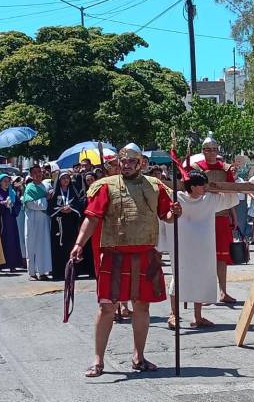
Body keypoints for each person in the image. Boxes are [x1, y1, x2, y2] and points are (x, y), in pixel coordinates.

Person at [70, 143, 181, 377]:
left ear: (140, 163)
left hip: (145, 253)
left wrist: (175, 213)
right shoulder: (105, 187)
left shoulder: (155, 186)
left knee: (142, 306)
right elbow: (92, 218)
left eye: (132, 161)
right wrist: (79, 243)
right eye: (123, 161)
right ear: (118, 163)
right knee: (107, 306)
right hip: (115, 254)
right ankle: (98, 360)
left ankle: (138, 357)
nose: (127, 165)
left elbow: (167, 216)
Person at [162, 171, 238, 329]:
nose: (205, 187)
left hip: (203, 246)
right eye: (202, 185)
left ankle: (198, 317)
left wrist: (223, 187)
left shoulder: (209, 199)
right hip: (182, 245)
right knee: (178, 277)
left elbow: (231, 198)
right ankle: (173, 314)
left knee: (201, 279)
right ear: (193, 186)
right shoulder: (176, 197)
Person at [191, 132, 237, 303]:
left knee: (222, 257)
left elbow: (231, 192)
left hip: (221, 217)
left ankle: (223, 291)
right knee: (203, 256)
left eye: (214, 149)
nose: (211, 152)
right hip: (202, 216)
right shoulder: (195, 168)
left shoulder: (225, 168)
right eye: (207, 149)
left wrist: (233, 215)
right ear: (203, 150)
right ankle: (202, 293)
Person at [49, 171, 88, 280]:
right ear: (59, 180)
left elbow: (79, 205)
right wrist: (61, 209)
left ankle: (73, 271)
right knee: (58, 247)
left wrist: (71, 208)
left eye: (67, 178)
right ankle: (59, 271)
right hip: (58, 223)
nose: (66, 180)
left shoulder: (73, 191)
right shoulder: (54, 193)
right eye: (63, 178)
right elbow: (51, 207)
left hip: (70, 223)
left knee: (71, 245)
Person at [23, 165, 52, 281]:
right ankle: (32, 272)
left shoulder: (46, 186)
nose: (38, 174)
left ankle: (43, 271)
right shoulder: (29, 188)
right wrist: (45, 199)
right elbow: (29, 203)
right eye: (35, 172)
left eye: (39, 171)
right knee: (32, 244)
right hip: (32, 220)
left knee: (44, 245)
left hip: (44, 219)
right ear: (31, 175)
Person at [0, 174, 25, 272]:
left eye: (8, 181)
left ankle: (13, 264)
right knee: (2, 241)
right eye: (4, 181)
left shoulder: (12, 192)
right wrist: (2, 204)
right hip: (1, 220)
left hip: (11, 220)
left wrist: (12, 205)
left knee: (12, 241)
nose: (6, 183)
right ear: (0, 182)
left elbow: (18, 204)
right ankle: (0, 264)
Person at [230, 164, 250, 241]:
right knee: (231, 221)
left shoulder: (241, 180)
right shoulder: (227, 180)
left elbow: (246, 192)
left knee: (241, 221)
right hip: (229, 203)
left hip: (240, 203)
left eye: (234, 170)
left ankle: (240, 238)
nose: (233, 172)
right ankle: (233, 237)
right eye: (231, 170)